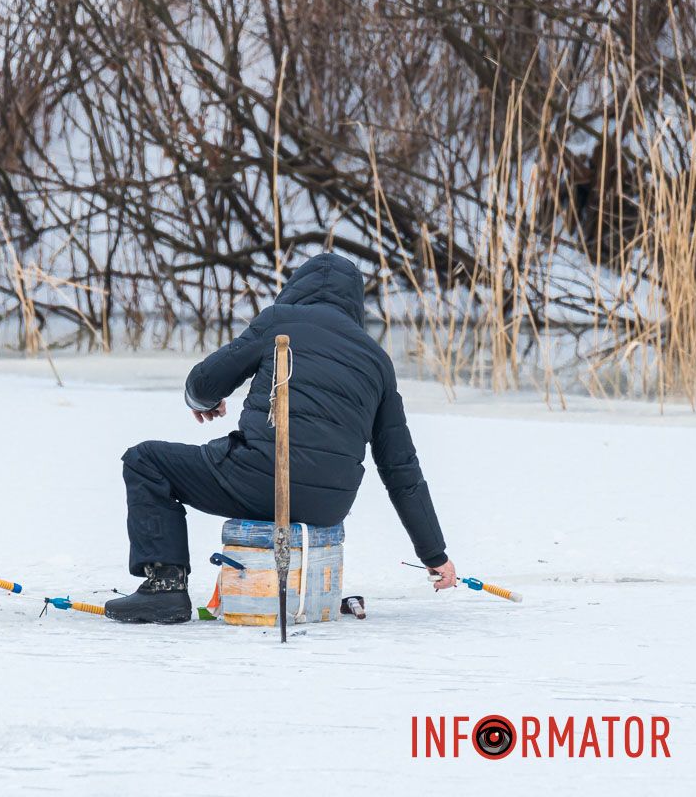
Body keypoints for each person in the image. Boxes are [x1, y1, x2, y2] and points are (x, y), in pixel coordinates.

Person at [105, 253, 456, 623]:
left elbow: (203, 383)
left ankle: (164, 589)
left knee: (146, 461)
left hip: (257, 481)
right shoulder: (376, 360)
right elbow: (402, 470)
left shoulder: (279, 321)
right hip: (328, 504)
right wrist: (434, 554)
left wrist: (204, 401)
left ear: (297, 288)